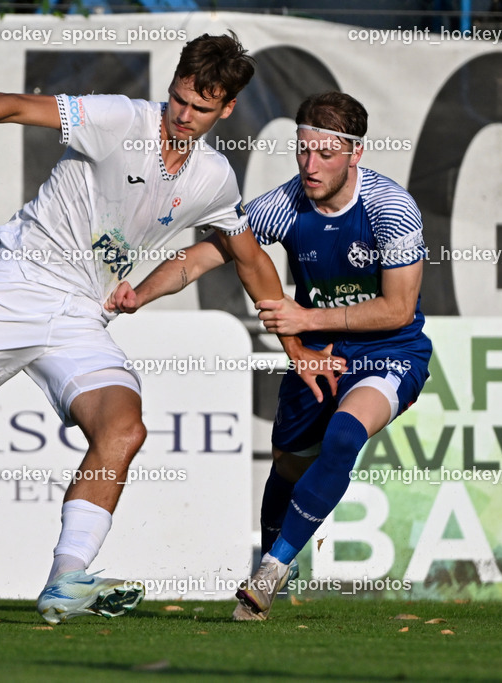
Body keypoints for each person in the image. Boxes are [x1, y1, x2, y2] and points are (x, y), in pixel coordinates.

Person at [0, 31, 337, 625]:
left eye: (201, 108)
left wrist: (295, 348)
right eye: (179, 98)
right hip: (11, 285)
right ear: (171, 86)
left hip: (81, 312)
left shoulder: (213, 178)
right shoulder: (119, 120)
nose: (184, 116)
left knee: (123, 429)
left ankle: (65, 578)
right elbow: (15, 105)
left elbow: (250, 259)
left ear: (227, 109)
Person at [107, 91, 432, 620]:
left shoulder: (390, 207)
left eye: (326, 153)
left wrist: (307, 319)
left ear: (356, 153)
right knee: (288, 466)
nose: (311, 165)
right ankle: (277, 551)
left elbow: (397, 309)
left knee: (345, 436)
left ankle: (271, 570)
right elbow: (207, 254)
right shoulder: (285, 204)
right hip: (317, 354)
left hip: (389, 351)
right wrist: (140, 294)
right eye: (303, 150)